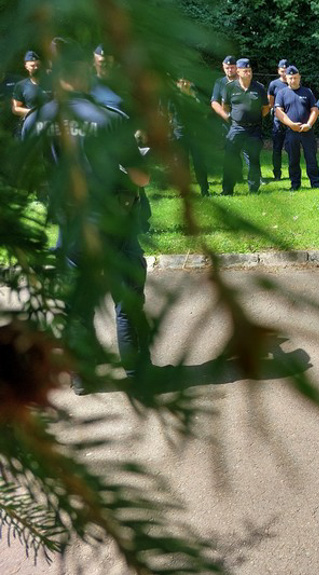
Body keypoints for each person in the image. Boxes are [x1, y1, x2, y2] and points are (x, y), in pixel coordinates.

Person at [22, 39, 154, 391]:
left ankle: (80, 377)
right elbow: (142, 176)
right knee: (127, 298)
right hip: (114, 224)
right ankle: (136, 373)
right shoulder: (111, 118)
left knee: (76, 304)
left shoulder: (34, 121)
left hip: (70, 227)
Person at [220, 58, 269, 195]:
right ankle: (227, 190)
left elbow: (266, 107)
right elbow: (225, 107)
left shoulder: (259, 87)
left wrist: (256, 118)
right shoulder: (229, 87)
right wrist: (234, 117)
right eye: (245, 71)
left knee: (253, 160)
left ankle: (254, 190)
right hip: (237, 128)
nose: (248, 73)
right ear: (238, 72)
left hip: (254, 129)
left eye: (250, 71)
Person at [274, 65, 319, 190]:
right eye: (290, 78)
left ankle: (315, 183)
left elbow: (314, 110)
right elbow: (278, 112)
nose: (292, 80)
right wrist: (291, 124)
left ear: (299, 77)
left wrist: (309, 125)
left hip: (307, 131)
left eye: (295, 78)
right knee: (293, 159)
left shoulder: (307, 92)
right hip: (291, 131)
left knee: (311, 158)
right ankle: (295, 184)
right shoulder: (282, 93)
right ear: (286, 78)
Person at [167, 77, 210, 196]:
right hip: (180, 134)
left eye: (186, 81)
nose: (184, 84)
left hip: (196, 135)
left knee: (199, 163)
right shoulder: (173, 98)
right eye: (182, 81)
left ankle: (204, 190)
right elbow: (170, 115)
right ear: (177, 83)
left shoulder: (196, 96)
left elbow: (204, 113)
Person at [11, 51, 50, 124]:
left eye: (38, 65)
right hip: (32, 123)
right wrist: (31, 112)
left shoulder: (51, 83)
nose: (36, 68)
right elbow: (15, 108)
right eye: (32, 66)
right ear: (26, 67)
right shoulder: (21, 86)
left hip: (51, 121)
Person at [267, 59, 290, 180]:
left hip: (291, 120)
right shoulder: (274, 84)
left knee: (292, 148)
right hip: (278, 121)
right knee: (277, 149)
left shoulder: (293, 83)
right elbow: (270, 102)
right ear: (278, 71)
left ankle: (293, 173)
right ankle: (277, 174)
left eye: (286, 70)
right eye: (282, 70)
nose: (285, 73)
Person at [90, 44, 123, 109]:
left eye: (108, 63)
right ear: (94, 62)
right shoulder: (88, 85)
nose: (104, 65)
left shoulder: (123, 83)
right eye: (101, 63)